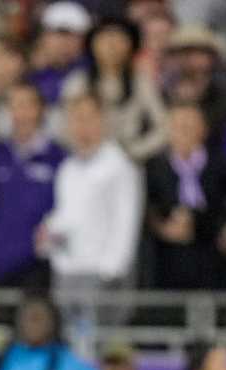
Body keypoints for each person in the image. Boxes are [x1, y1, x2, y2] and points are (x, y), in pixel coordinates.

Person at [38, 93, 142, 356]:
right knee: (70, 344)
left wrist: (111, 269)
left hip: (102, 274)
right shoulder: (68, 168)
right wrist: (49, 232)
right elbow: (67, 215)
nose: (82, 126)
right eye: (76, 120)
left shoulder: (119, 166)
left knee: (102, 349)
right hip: (67, 270)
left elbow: (126, 222)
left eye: (88, 119)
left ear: (103, 122)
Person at [0, 82, 66, 290]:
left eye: (28, 105)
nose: (22, 113)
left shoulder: (58, 156)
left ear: (41, 110)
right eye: (15, 106)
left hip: (41, 263)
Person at [144, 102, 226, 290]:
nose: (184, 132)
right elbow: (147, 211)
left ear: (203, 129)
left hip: (211, 260)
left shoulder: (221, 166)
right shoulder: (154, 168)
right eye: (179, 126)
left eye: (190, 126)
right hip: (167, 262)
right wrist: (163, 227)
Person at [62, 16, 168, 162]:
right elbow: (63, 124)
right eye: (104, 39)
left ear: (130, 46)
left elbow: (163, 126)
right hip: (86, 159)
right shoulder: (78, 82)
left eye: (119, 39)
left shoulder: (140, 82)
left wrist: (135, 151)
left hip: (129, 158)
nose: (111, 45)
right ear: (92, 45)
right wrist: (85, 150)